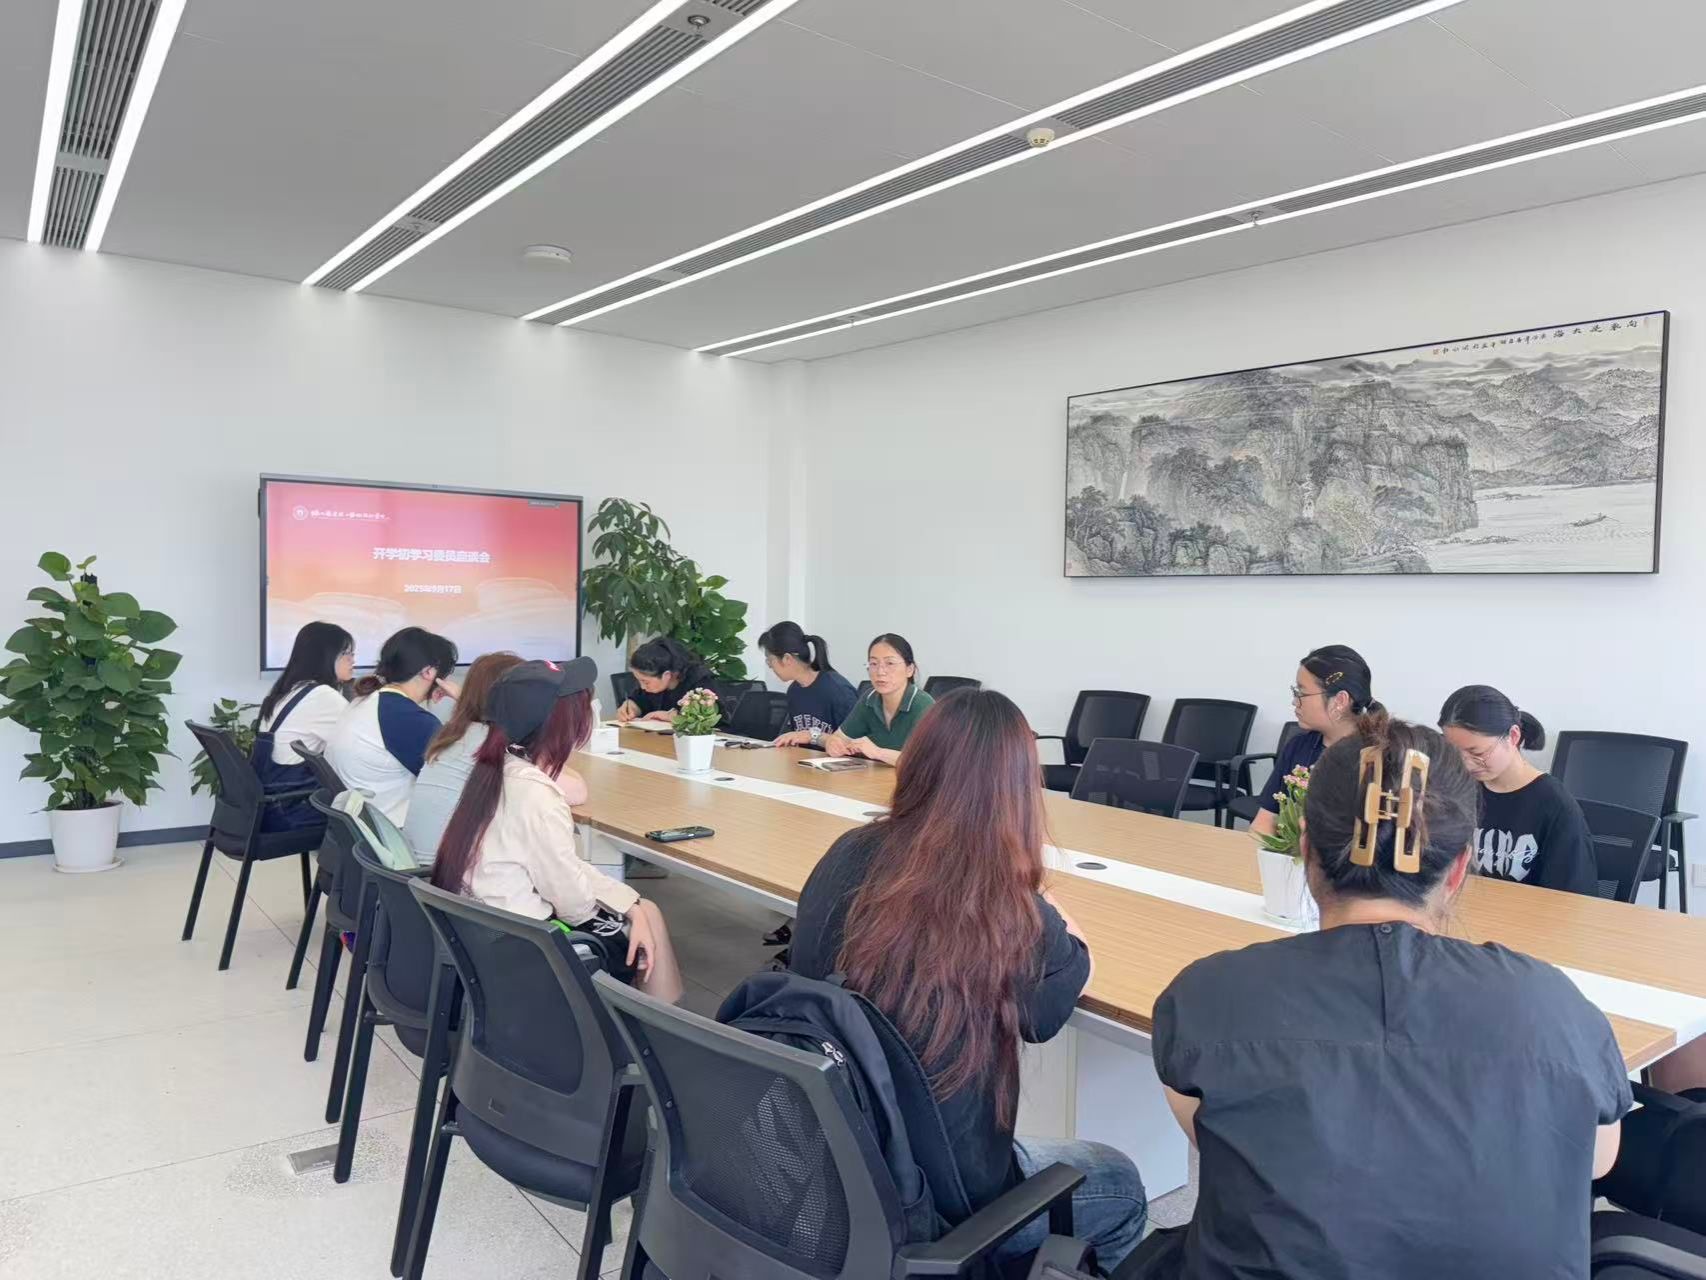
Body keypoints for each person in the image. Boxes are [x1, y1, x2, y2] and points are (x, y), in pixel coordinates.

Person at [1121, 714, 1629, 1280]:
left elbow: (1213, 1136)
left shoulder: (1207, 995)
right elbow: (1597, 1158)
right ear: (1460, 867)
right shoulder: (1555, 1008)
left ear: (1306, 850)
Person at [791, 689, 1145, 1270]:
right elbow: (1058, 993)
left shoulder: (846, 851)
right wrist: (1040, 900)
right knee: (1121, 1181)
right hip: (940, 1202)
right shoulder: (1004, 903)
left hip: (828, 1160)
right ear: (1017, 792)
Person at [429, 658, 681, 1002]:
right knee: (647, 919)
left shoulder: (499, 768)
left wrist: (630, 904)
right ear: (566, 723)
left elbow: (561, 868)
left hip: (491, 936)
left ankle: (656, 1021)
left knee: (642, 910)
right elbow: (574, 903)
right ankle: (653, 1027)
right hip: (531, 950)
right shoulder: (536, 793)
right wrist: (631, 910)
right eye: (586, 704)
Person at [1439, 684, 1598, 896]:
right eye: (1455, 752)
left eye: (1477, 753)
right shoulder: (1460, 790)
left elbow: (1572, 898)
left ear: (1513, 736)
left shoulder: (1555, 806)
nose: (1466, 764)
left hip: (1527, 914)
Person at [404, 651, 526, 867]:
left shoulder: (454, 734)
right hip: (444, 874)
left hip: (418, 869)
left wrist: (468, 701)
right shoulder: (491, 743)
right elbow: (574, 791)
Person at [326, 626, 459, 824]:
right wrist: (465, 703)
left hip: (361, 825)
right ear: (429, 672)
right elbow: (462, 778)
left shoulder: (367, 700)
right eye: (445, 674)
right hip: (393, 829)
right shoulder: (407, 717)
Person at [1249, 644, 1376, 839]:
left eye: (1301, 693)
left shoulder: (1377, 758)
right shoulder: (1298, 747)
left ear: (1340, 701)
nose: (1294, 701)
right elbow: (1265, 821)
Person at [254, 621, 354, 828]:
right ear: (325, 657)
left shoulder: (290, 690)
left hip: (270, 804)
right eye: (347, 653)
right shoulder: (322, 696)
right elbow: (358, 741)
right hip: (291, 810)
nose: (353, 660)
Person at [822, 633, 935, 766]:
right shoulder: (870, 698)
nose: (880, 672)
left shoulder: (924, 705)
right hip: (876, 776)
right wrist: (833, 743)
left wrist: (878, 752)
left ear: (910, 670)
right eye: (874, 663)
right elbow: (840, 738)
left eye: (890, 663)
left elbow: (925, 762)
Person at [760, 621, 857, 747]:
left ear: (787, 659)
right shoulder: (794, 691)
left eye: (770, 660)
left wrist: (813, 737)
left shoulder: (838, 691)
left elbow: (855, 743)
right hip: (804, 757)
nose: (769, 666)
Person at [613, 636, 719, 725]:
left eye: (645, 682)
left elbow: (709, 717)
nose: (642, 687)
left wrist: (672, 716)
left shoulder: (700, 682)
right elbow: (641, 700)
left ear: (666, 675)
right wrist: (633, 707)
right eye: (638, 680)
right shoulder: (653, 684)